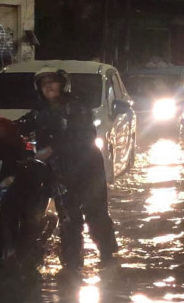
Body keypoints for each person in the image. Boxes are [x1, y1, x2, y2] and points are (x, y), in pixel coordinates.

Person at [16, 66, 118, 272]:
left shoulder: (78, 108)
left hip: (87, 169)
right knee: (68, 217)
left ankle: (108, 256)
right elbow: (18, 126)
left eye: (52, 82)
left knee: (95, 213)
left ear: (62, 85)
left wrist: (52, 149)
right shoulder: (40, 111)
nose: (48, 87)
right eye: (44, 84)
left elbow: (84, 138)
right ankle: (71, 264)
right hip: (60, 172)